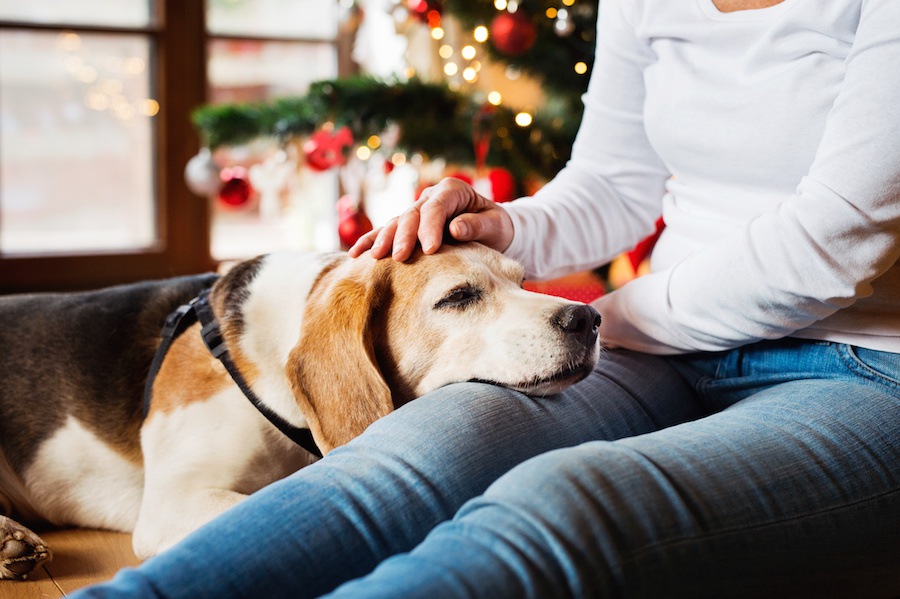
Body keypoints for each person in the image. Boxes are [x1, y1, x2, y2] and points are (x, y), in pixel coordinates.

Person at [74, 0, 899, 596]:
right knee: (399, 465)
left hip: (860, 367)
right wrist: (502, 228)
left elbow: (843, 237)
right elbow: (614, 185)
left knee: (559, 502)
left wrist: (595, 321)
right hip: (665, 348)